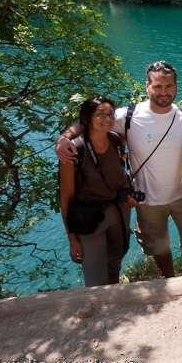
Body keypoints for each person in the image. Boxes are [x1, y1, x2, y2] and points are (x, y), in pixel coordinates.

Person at [56, 61, 182, 278]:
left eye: (168, 86)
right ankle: (170, 278)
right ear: (147, 86)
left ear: (176, 87)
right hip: (147, 200)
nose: (163, 92)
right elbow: (88, 121)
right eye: (157, 86)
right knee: (158, 246)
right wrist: (64, 139)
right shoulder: (127, 116)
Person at [59, 96, 137, 287]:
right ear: (86, 119)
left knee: (114, 267)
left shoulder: (117, 141)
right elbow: (66, 198)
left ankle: (115, 308)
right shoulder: (74, 151)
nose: (107, 119)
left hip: (118, 213)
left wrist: (129, 194)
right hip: (89, 220)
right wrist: (72, 239)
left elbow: (121, 175)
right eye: (100, 114)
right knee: (94, 280)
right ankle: (99, 312)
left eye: (110, 114)